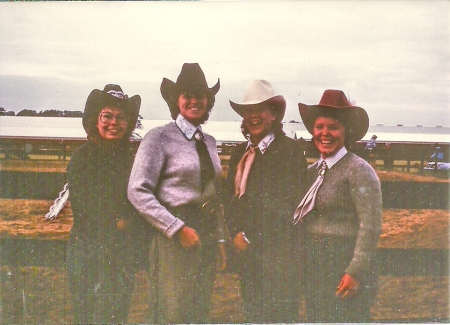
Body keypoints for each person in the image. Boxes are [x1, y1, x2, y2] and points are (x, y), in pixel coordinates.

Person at [127, 63, 226, 324]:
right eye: (187, 95)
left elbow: (213, 193)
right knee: (173, 311)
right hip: (173, 236)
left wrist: (220, 239)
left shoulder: (209, 142)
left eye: (200, 96)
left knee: (199, 307)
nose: (195, 101)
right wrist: (176, 229)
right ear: (176, 100)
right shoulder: (158, 137)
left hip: (206, 230)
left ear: (208, 101)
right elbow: (137, 190)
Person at [294, 89, 382, 322]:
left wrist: (355, 272)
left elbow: (370, 226)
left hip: (345, 264)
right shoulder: (312, 172)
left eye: (333, 127)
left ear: (346, 131)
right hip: (316, 265)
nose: (325, 133)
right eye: (319, 126)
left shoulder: (360, 170)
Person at [67, 84, 151, 324]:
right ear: (96, 119)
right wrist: (124, 221)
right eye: (107, 116)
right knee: (88, 313)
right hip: (88, 248)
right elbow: (85, 208)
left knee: (116, 312)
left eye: (121, 117)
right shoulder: (82, 157)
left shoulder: (131, 159)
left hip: (121, 252)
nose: (114, 122)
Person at [224, 80, 307, 323]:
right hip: (249, 258)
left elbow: (289, 206)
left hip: (279, 258)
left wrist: (250, 237)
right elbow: (232, 199)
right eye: (248, 110)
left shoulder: (289, 151)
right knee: (253, 313)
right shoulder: (241, 153)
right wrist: (234, 232)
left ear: (273, 115)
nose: (254, 115)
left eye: (260, 109)